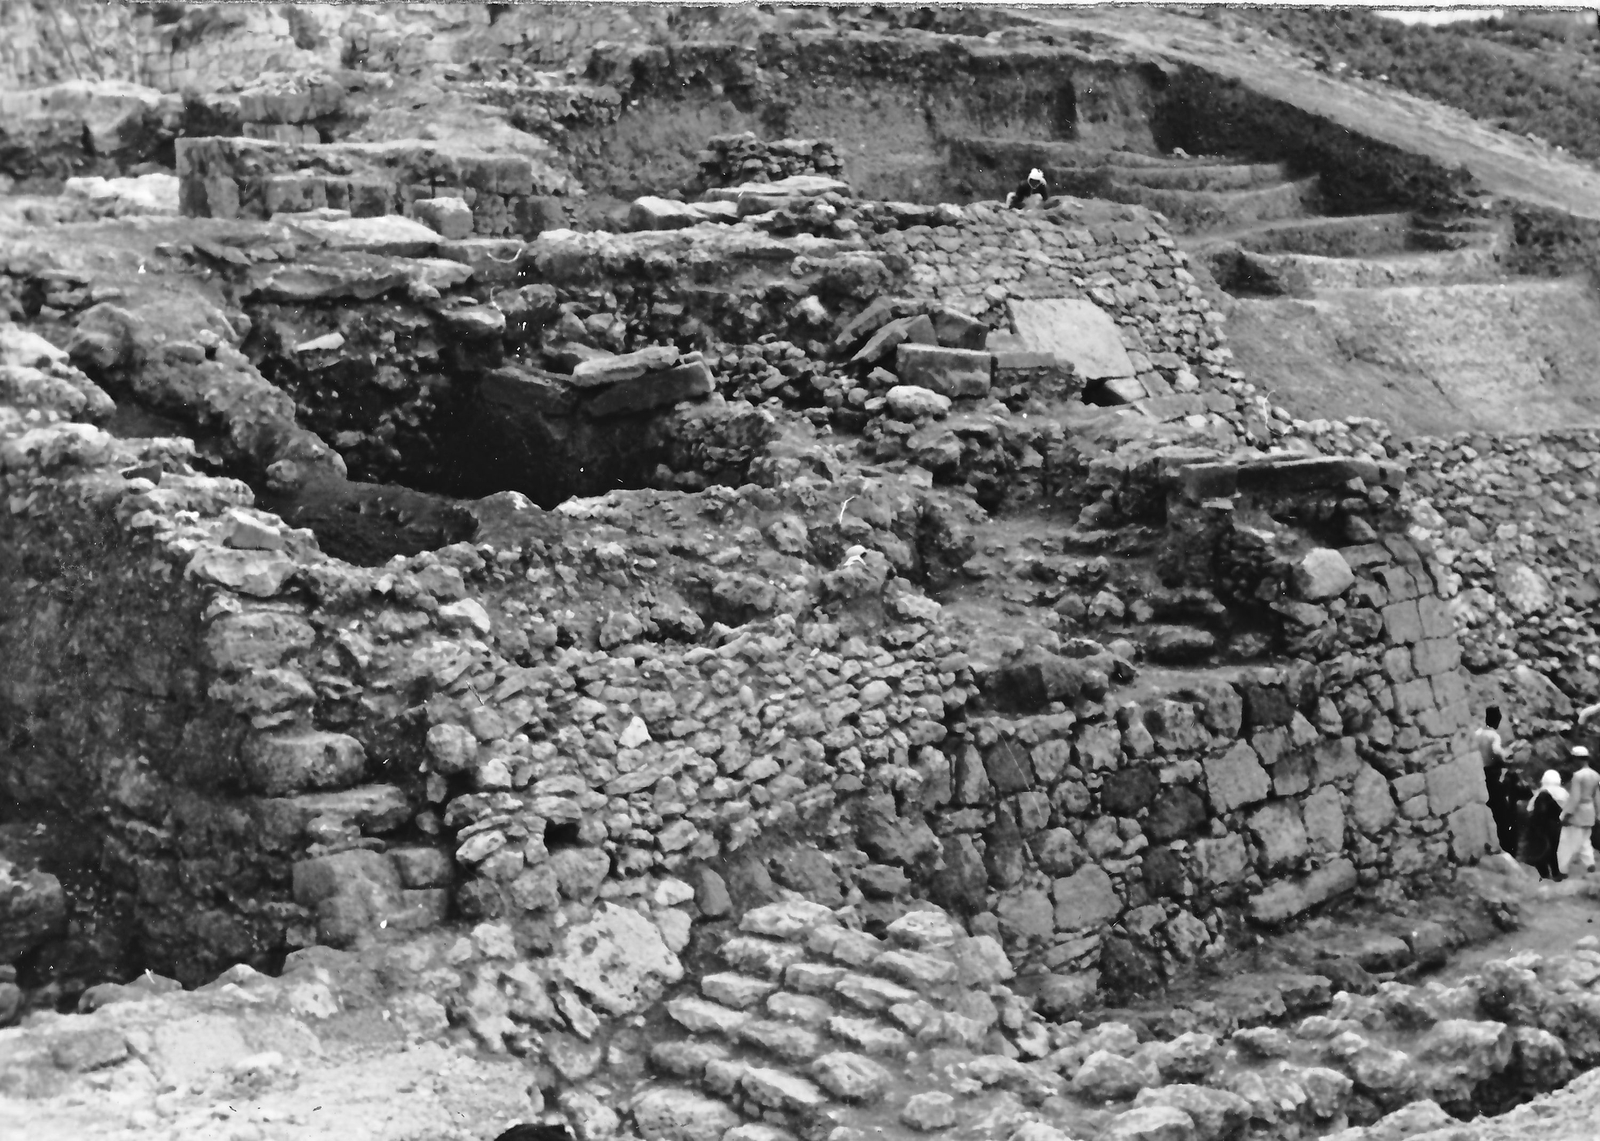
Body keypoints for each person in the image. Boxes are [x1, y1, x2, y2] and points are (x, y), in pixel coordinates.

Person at [1476, 707, 1525, 854]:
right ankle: (1508, 845)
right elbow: (1497, 753)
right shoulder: (1493, 735)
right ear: (1496, 719)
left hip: (1480, 774)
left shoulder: (1478, 733)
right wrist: (1509, 754)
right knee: (1503, 812)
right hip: (1493, 775)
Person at [1560, 746, 1600, 876]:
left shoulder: (1578, 776)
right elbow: (1597, 796)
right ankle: (1590, 864)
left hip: (1578, 812)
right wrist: (1598, 813)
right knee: (1585, 840)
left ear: (1577, 759)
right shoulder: (1595, 775)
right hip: (1590, 811)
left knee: (1569, 841)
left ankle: (1562, 869)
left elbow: (1575, 798)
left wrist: (1566, 814)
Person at [1526, 769, 1570, 880]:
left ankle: (1544, 873)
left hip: (1541, 826)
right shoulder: (1563, 793)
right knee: (1555, 849)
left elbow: (1529, 809)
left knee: (1542, 849)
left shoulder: (1541, 792)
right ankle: (1556, 872)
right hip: (1557, 825)